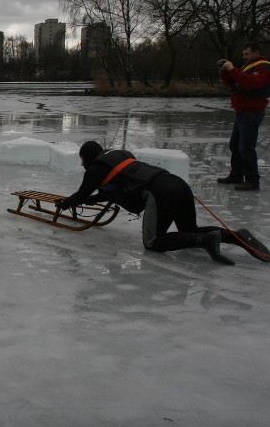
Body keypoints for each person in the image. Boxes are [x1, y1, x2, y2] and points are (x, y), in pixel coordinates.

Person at [55, 141, 270, 266]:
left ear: (87, 157)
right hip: (176, 183)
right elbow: (118, 185)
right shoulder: (119, 154)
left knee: (153, 242)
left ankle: (205, 240)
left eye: (82, 159)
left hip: (159, 193)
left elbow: (81, 195)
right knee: (188, 229)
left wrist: (65, 204)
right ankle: (236, 236)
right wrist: (96, 198)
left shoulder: (94, 169)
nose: (82, 164)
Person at [217, 42, 270, 191]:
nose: (244, 57)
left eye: (247, 54)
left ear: (256, 53)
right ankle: (236, 175)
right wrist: (225, 71)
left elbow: (249, 83)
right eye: (243, 55)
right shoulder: (248, 67)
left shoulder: (263, 67)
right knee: (235, 145)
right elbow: (233, 83)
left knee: (246, 147)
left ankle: (252, 180)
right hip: (242, 111)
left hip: (252, 112)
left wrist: (233, 69)